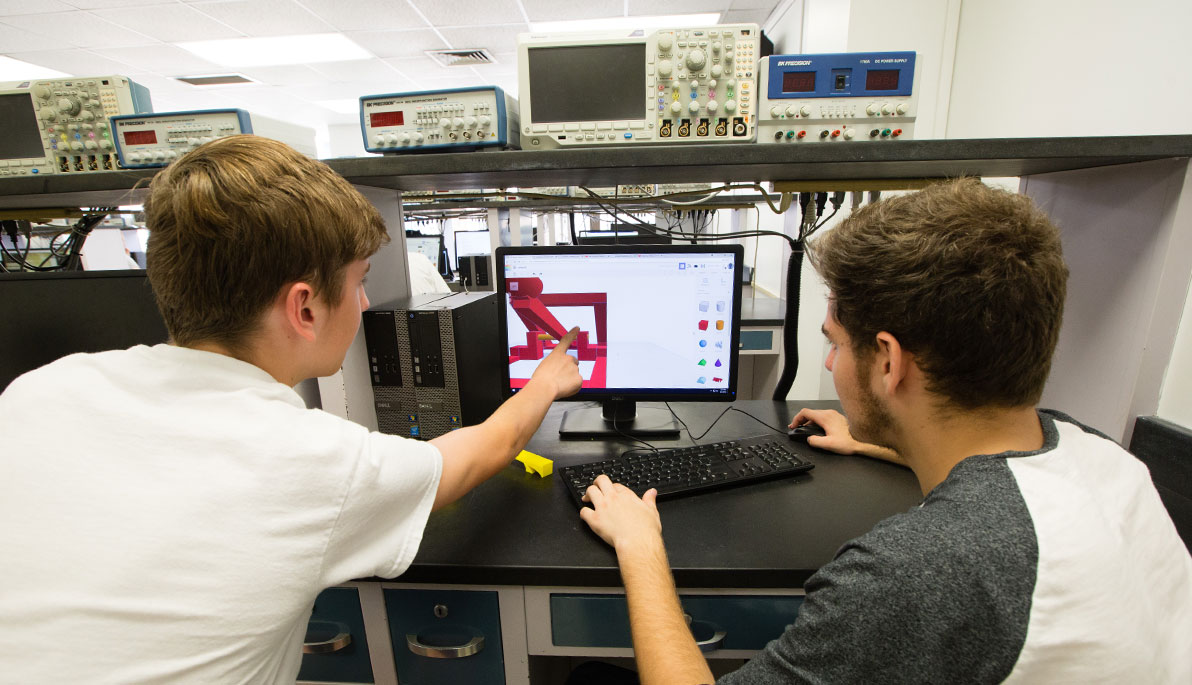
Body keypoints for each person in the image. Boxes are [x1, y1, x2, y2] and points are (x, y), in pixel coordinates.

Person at [0, 135, 582, 683]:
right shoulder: (305, 458)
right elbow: (473, 458)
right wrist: (546, 382)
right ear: (304, 308)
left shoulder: (40, 390)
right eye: (360, 283)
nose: (362, 303)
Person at [579, 178, 1192, 683]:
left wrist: (641, 548)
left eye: (835, 344)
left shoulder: (916, 572)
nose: (828, 364)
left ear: (891, 362)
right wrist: (873, 440)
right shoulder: (1106, 459)